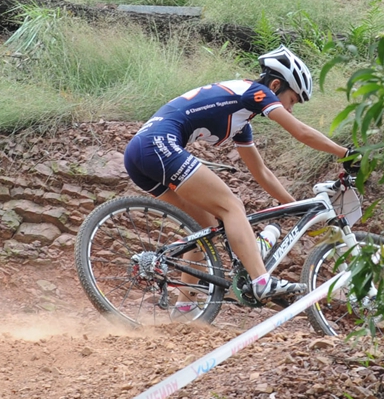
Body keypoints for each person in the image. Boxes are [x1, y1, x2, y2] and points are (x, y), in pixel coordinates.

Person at [123, 46, 354, 308]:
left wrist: (295, 206)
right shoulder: (257, 92)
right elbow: (301, 132)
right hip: (158, 145)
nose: (290, 110)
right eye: (291, 101)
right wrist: (345, 152)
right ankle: (261, 281)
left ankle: (184, 307)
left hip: (139, 153)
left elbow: (262, 172)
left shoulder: (241, 120)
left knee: (205, 228)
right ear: (276, 84)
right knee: (232, 206)